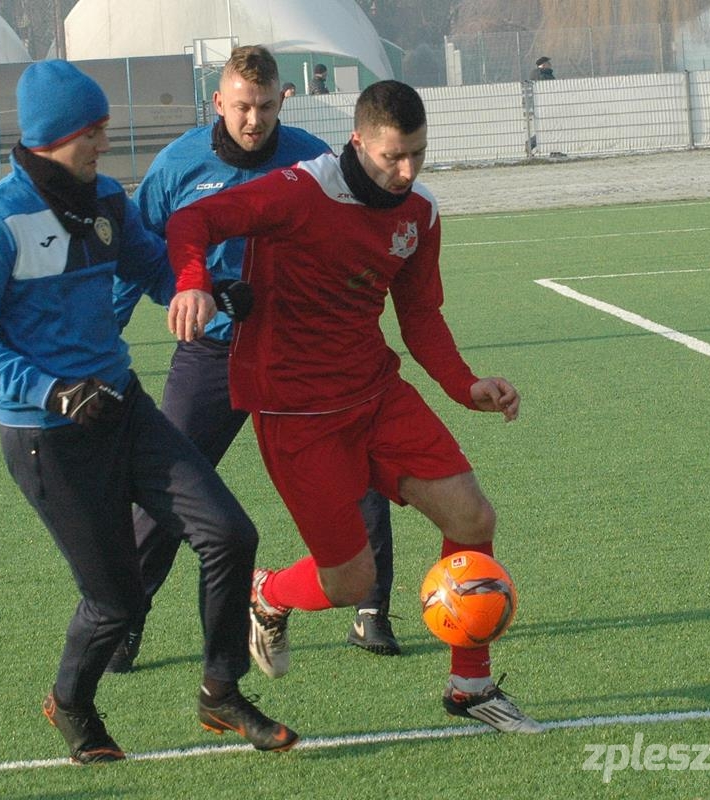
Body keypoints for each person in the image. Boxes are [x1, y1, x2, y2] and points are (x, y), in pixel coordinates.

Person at [0, 59, 298, 764]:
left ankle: (220, 693)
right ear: (53, 136)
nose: (104, 143)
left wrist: (210, 291)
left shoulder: (105, 199)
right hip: (48, 436)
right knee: (117, 602)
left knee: (228, 534)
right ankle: (70, 703)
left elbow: (151, 268)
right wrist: (51, 390)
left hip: (123, 408)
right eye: (93, 132)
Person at [164, 80, 542, 734]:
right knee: (348, 582)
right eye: (393, 156)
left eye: (418, 155)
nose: (406, 171)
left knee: (472, 515)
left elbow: (419, 317)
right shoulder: (296, 192)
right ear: (357, 141)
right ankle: (268, 593)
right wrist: (195, 280)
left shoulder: (418, 214)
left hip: (374, 395)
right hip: (295, 415)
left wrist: (465, 385)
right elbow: (192, 219)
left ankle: (469, 685)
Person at [109, 44, 402, 674]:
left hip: (299, 354)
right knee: (168, 488)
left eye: (265, 107)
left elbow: (354, 236)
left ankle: (371, 610)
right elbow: (140, 253)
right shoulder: (177, 165)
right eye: (242, 106)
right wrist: (121, 329)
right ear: (219, 101)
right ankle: (123, 621)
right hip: (212, 353)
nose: (253, 120)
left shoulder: (312, 159)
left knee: (358, 468)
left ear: (281, 102)